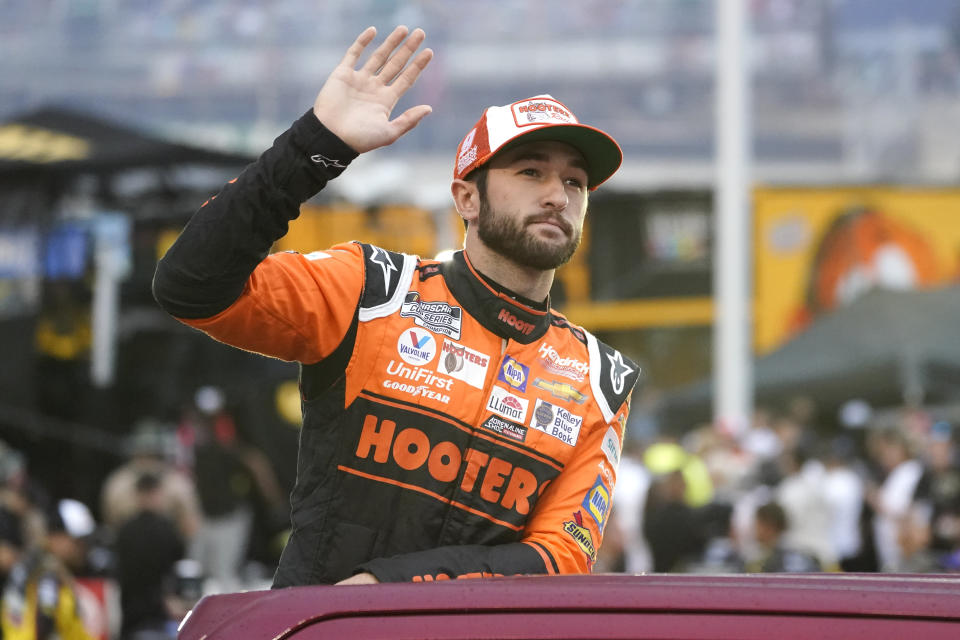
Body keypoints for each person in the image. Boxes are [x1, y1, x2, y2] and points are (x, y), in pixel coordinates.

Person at [152, 25, 639, 587]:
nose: (558, 194)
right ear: (467, 198)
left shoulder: (601, 378)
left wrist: (387, 589)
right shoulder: (373, 290)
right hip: (320, 630)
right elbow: (191, 284)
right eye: (531, 171)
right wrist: (315, 147)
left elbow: (561, 558)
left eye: (575, 183)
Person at [1, 499, 97, 640]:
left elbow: (73, 630)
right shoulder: (42, 574)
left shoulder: (49, 567)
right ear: (54, 537)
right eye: (77, 541)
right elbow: (35, 629)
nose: (83, 548)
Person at [114, 473, 185, 640]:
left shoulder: (125, 530)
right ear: (157, 493)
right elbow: (178, 567)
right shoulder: (168, 530)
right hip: (163, 614)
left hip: (130, 616)